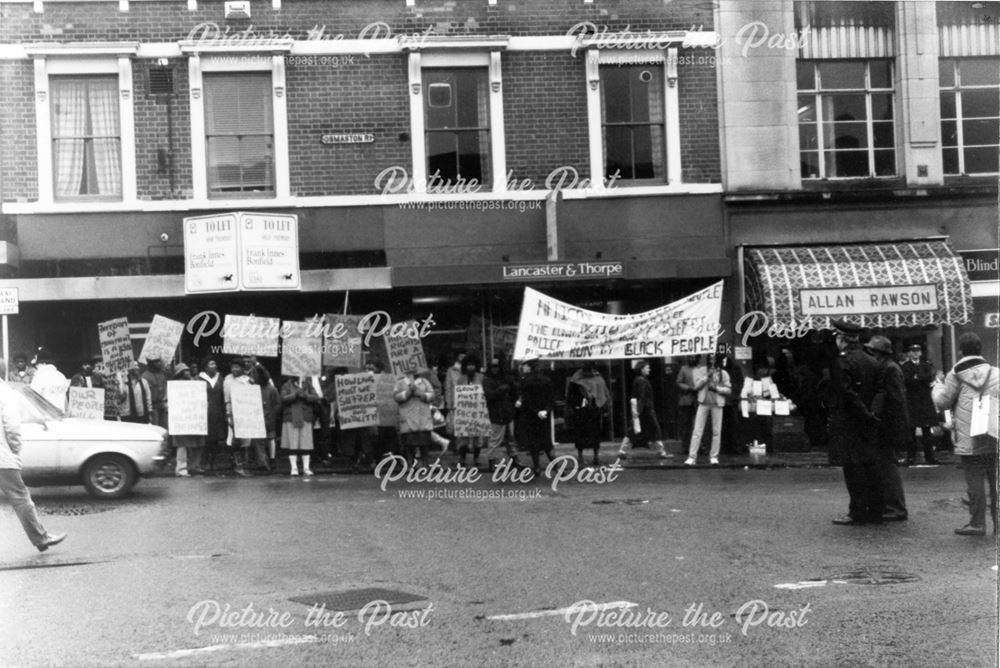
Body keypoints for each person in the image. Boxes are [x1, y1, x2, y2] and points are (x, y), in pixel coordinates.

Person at [932, 332, 999, 536]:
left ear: (961, 351)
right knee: (995, 480)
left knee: (975, 482)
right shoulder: (996, 372)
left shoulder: (955, 374)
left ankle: (977, 523)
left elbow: (942, 402)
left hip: (970, 436)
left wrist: (937, 387)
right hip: (993, 433)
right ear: (980, 350)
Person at [0, 362, 66, 552]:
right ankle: (40, 538)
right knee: (21, 498)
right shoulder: (6, 393)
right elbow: (12, 427)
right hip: (2, 459)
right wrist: (15, 450)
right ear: (4, 372)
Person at [828, 319, 883, 526]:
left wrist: (863, 414)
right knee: (870, 465)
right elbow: (880, 390)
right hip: (869, 420)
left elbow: (846, 394)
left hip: (850, 420)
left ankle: (857, 511)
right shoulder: (871, 360)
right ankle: (876, 510)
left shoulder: (843, 361)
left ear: (841, 339)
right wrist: (872, 414)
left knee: (853, 467)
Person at [865, 336, 909, 522]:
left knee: (887, 466)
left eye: (871, 352)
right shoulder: (887, 367)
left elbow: (895, 400)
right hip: (889, 423)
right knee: (885, 464)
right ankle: (890, 505)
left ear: (877, 353)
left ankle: (896, 507)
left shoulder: (889, 369)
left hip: (889, 425)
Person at [685, 353, 732, 466]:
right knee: (697, 430)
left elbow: (729, 390)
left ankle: (714, 456)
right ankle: (692, 457)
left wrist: (717, 389)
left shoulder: (723, 373)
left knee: (716, 431)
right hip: (703, 403)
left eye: (714, 359)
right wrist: (707, 376)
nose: (712, 361)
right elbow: (696, 386)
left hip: (717, 403)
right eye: (710, 359)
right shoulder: (702, 370)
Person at [618, 360, 670, 460]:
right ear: (642, 369)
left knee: (633, 430)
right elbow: (642, 397)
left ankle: (622, 450)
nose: (649, 369)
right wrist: (639, 410)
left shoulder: (638, 380)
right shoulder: (642, 381)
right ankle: (661, 451)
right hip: (646, 410)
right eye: (647, 367)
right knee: (655, 429)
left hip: (642, 409)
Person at [901, 343, 940, 465]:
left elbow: (929, 378)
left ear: (921, 352)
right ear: (909, 353)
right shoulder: (906, 366)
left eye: (918, 350)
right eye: (913, 351)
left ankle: (930, 457)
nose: (916, 353)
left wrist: (917, 378)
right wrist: (919, 379)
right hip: (912, 400)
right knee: (911, 431)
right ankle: (911, 457)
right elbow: (906, 380)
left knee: (927, 431)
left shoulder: (926, 364)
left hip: (923, 401)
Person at [515, 360, 556, 475]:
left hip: (531, 416)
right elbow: (551, 399)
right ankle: (556, 466)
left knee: (534, 444)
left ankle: (537, 467)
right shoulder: (546, 380)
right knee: (547, 444)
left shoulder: (525, 381)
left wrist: (536, 411)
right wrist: (545, 411)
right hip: (544, 416)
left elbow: (526, 400)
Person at [566, 361, 609, 467]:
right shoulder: (577, 378)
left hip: (593, 411)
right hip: (582, 412)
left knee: (594, 435)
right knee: (581, 435)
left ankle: (594, 457)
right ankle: (582, 458)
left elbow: (603, 393)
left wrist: (603, 407)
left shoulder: (597, 377)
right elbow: (570, 396)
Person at [482, 357, 522, 470]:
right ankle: (493, 461)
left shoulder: (504, 378)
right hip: (497, 412)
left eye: (497, 367)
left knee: (510, 438)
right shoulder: (488, 380)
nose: (495, 369)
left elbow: (516, 388)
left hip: (505, 412)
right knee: (496, 439)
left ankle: (514, 459)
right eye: (493, 367)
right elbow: (489, 395)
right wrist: (502, 389)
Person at [394, 367, 436, 467]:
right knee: (409, 444)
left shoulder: (424, 382)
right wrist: (407, 393)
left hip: (423, 417)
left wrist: (421, 394)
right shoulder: (400, 383)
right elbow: (396, 397)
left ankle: (425, 465)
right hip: (408, 418)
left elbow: (432, 395)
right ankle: (410, 464)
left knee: (424, 443)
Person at [281, 375, 320, 476]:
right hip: (291, 418)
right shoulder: (286, 385)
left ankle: (306, 467)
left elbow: (316, 397)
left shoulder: (308, 384)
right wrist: (295, 395)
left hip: (305, 417)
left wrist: (306, 396)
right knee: (292, 444)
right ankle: (294, 467)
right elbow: (283, 399)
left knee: (305, 443)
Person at [170, 362, 204, 478]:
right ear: (180, 373)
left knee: (198, 442)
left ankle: (193, 466)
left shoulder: (195, 384)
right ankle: (181, 469)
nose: (188, 373)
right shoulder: (174, 387)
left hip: (193, 417)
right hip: (181, 419)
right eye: (185, 371)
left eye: (188, 370)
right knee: (182, 445)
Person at [223, 358, 255, 477]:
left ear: (242, 368)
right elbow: (227, 400)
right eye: (233, 367)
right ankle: (238, 466)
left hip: (247, 413)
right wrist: (229, 415)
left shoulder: (248, 380)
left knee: (246, 441)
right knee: (235, 440)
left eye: (237, 367)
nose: (235, 369)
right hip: (234, 413)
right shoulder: (228, 380)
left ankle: (245, 466)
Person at [454, 355, 486, 467]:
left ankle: (476, 459)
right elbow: (457, 394)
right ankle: (462, 459)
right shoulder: (461, 378)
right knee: (463, 436)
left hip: (478, 410)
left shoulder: (481, 377)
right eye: (468, 365)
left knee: (478, 436)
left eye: (472, 365)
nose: (470, 367)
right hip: (464, 410)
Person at [198, 356, 227, 474]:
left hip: (218, 412)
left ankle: (213, 463)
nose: (213, 366)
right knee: (205, 439)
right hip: (205, 413)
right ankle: (204, 462)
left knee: (215, 439)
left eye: (214, 363)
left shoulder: (221, 378)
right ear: (205, 367)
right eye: (210, 364)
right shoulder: (200, 379)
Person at [675, 356, 699, 452]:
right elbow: (678, 382)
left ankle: (699, 446)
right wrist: (688, 388)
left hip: (698, 399)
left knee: (698, 424)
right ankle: (685, 447)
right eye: (690, 358)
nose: (692, 359)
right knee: (686, 425)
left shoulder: (700, 369)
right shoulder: (684, 369)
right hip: (686, 400)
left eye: (694, 357)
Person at [142, 358, 169, 431]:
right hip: (153, 408)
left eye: (159, 361)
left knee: (165, 430)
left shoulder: (163, 374)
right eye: (157, 361)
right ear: (151, 363)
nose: (160, 363)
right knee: (156, 430)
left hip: (163, 406)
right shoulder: (145, 376)